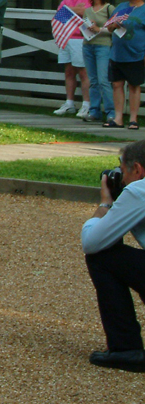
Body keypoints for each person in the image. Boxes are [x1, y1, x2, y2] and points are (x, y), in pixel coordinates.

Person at [79, 139, 145, 371]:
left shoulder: (139, 190)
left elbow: (93, 243)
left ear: (137, 169)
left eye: (123, 170)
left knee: (101, 258)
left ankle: (125, 349)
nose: (121, 178)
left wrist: (106, 203)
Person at [106, 0, 145, 130]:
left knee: (134, 85)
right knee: (117, 84)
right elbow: (109, 28)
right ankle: (118, 118)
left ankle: (133, 119)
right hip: (117, 53)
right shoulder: (121, 7)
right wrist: (114, 24)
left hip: (136, 53)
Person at [55, 0, 93, 117]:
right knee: (69, 71)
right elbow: (59, 13)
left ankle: (86, 104)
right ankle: (69, 103)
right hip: (67, 37)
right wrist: (75, 9)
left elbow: (87, 12)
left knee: (83, 72)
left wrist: (68, 10)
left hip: (80, 38)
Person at [82, 0, 116, 123]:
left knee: (103, 80)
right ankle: (94, 111)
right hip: (88, 45)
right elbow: (84, 27)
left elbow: (115, 29)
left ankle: (111, 112)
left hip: (103, 46)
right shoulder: (88, 10)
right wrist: (88, 28)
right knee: (93, 81)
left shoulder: (109, 8)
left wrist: (98, 29)